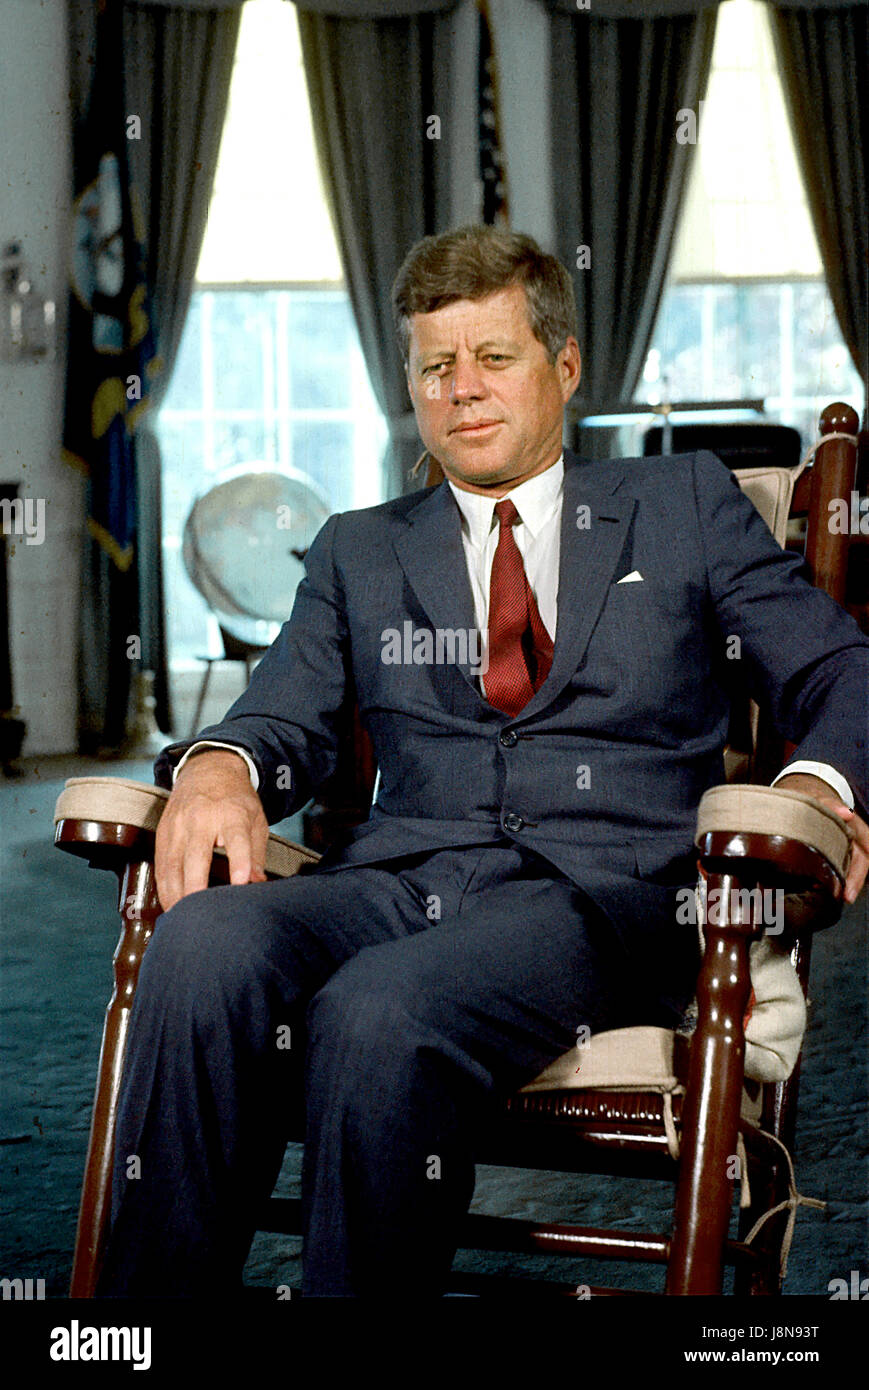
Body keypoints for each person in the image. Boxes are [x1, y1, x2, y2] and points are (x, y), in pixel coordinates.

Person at [97, 225, 868, 1298]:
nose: (461, 390)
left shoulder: (682, 507)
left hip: (601, 901)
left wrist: (811, 784)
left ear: (561, 366)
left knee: (376, 1010)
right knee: (201, 944)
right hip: (397, 878)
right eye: (433, 365)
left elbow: (841, 667)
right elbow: (279, 717)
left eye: (492, 358)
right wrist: (221, 763)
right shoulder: (359, 547)